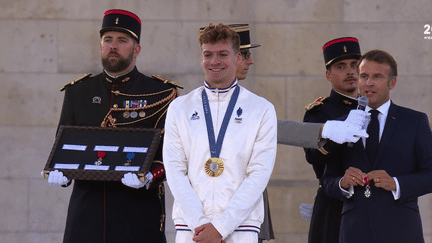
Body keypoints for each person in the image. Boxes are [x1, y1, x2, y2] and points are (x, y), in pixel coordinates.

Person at [44, 9, 181, 243]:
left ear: (136, 49)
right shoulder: (78, 91)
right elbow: (64, 145)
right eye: (108, 40)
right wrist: (61, 173)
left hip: (138, 214)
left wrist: (149, 176)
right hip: (87, 215)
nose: (113, 46)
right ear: (100, 46)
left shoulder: (161, 93)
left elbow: (173, 156)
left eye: (122, 40)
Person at [163, 23, 277, 243]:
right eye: (208, 55)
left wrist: (221, 227)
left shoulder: (261, 109)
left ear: (237, 58)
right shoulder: (180, 108)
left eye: (223, 54)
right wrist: (201, 224)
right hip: (192, 229)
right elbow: (175, 170)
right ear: (201, 58)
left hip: (241, 228)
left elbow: (259, 173)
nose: (214, 61)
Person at [322, 49, 432, 242]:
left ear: (392, 82)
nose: (368, 83)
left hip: (401, 232)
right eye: (363, 76)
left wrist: (396, 183)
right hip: (354, 232)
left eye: (377, 77)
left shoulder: (415, 122)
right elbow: (328, 180)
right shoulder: (342, 125)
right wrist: (343, 183)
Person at [303, 37, 362, 242]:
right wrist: (341, 129)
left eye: (355, 65)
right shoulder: (319, 112)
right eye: (341, 66)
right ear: (328, 75)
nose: (350, 71)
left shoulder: (374, 107)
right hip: (334, 207)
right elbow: (313, 157)